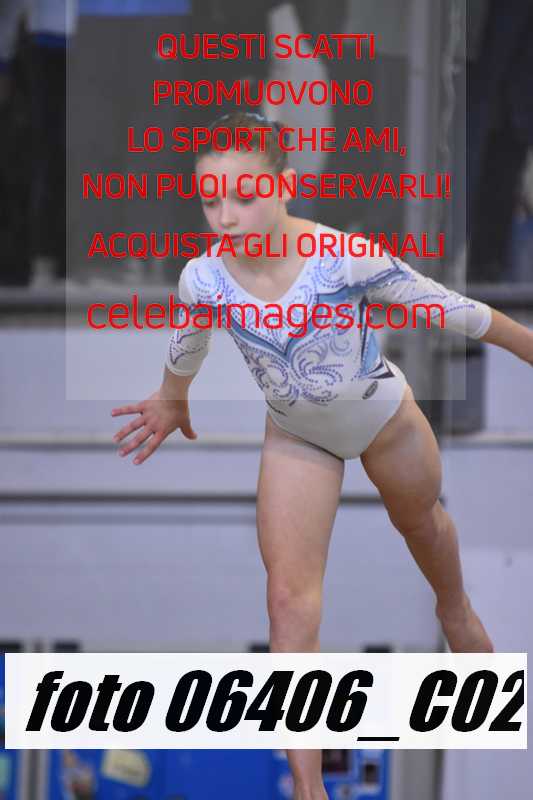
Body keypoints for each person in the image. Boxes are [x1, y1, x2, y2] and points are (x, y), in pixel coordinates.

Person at [111, 112, 533, 800]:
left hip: (382, 419)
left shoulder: (342, 258)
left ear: (284, 186)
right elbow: (188, 344)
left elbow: (451, 310)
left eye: (244, 195)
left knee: (419, 524)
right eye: (211, 200)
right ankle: (309, 789)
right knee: (287, 604)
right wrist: (170, 398)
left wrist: (529, 348)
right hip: (296, 435)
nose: (225, 216)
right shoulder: (204, 279)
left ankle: (454, 607)